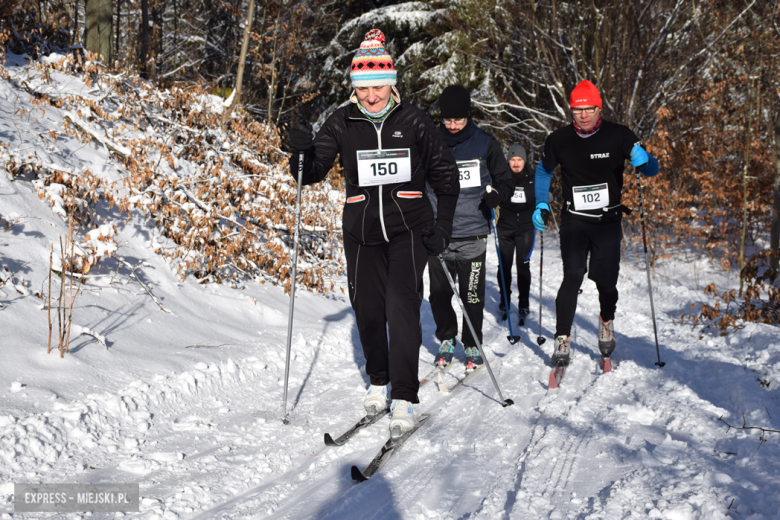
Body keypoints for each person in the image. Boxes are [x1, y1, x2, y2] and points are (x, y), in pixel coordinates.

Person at [287, 29, 459, 437]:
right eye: (363, 88)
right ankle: (379, 381)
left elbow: (445, 176)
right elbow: (310, 172)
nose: (371, 95)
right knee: (366, 308)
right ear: (354, 88)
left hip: (409, 229)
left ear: (392, 83)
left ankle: (404, 396)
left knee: (401, 304)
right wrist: (298, 151)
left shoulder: (413, 120)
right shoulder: (342, 121)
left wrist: (444, 227)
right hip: (361, 231)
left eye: (378, 86)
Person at [532, 80, 659, 367]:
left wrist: (644, 159)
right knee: (573, 274)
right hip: (574, 220)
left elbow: (652, 170)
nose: (584, 115)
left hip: (608, 220)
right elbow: (543, 171)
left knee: (606, 282)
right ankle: (562, 339)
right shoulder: (559, 139)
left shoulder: (620, 135)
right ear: (571, 111)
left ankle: (606, 319)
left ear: (599, 108)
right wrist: (541, 201)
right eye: (578, 110)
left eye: (589, 109)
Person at [426, 85, 514, 370]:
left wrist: (497, 195)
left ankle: (473, 343)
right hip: (439, 232)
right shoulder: (429, 141)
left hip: (473, 232)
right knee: (439, 294)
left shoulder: (485, 143)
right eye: (447, 120)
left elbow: (506, 181)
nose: (452, 126)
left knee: (472, 295)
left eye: (458, 120)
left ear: (468, 115)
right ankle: (447, 338)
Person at [496, 144, 536, 325]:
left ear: (524, 160)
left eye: (519, 159)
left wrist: (547, 199)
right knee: (504, 266)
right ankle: (504, 301)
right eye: (513, 159)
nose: (516, 163)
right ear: (508, 161)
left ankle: (524, 303)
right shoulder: (501, 177)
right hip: (504, 227)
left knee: (523, 266)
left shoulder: (533, 177)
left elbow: (544, 194)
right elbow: (492, 192)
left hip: (526, 228)